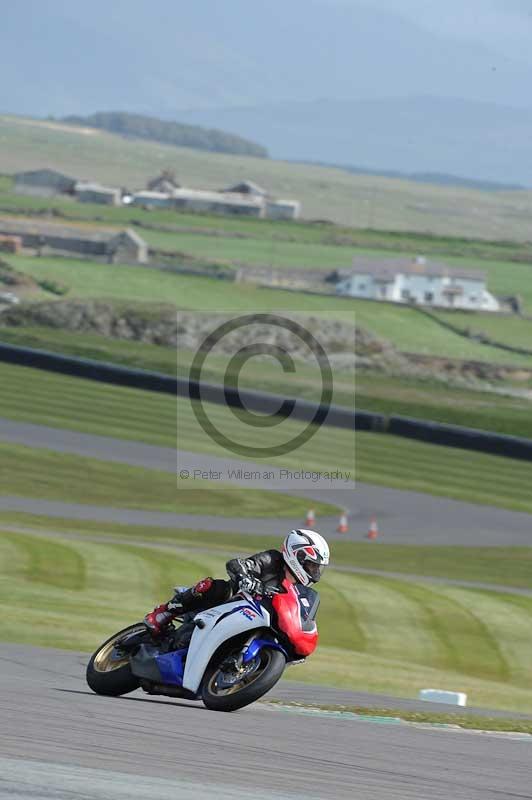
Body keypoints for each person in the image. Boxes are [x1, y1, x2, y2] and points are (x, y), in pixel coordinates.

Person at [144, 529, 330, 643]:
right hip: (232, 602)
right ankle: (164, 613)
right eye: (312, 565)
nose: (314, 572)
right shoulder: (272, 559)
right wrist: (246, 578)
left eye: (317, 568)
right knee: (217, 587)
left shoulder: (301, 591)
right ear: (296, 555)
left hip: (258, 620)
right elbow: (238, 564)